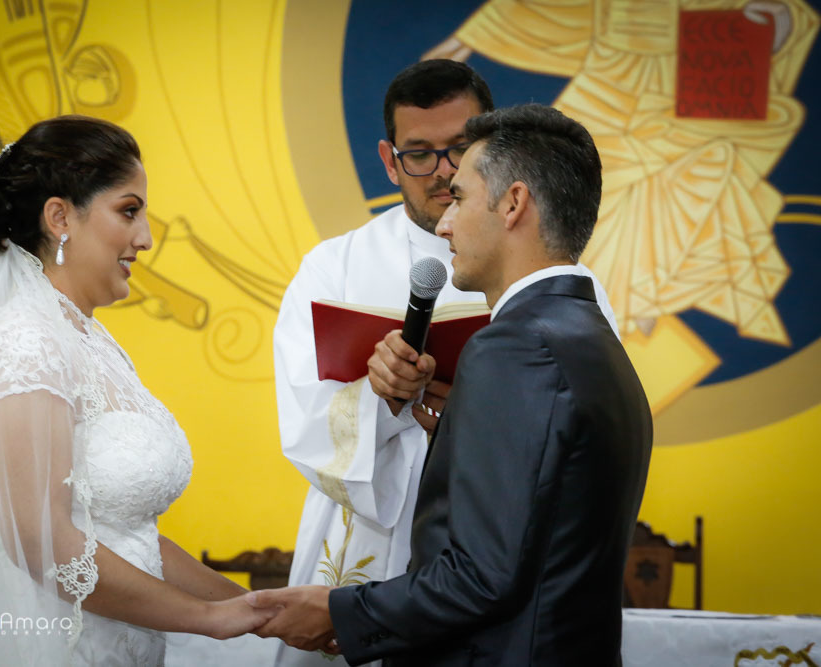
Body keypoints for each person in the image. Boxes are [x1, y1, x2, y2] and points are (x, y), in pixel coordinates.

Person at [253, 104, 654, 666]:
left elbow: (483, 576)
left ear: (513, 203)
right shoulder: (590, 333)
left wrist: (344, 612)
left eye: (460, 198)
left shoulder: (513, 345)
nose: (444, 225)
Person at [0, 116, 275, 666]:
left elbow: (131, 539)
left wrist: (259, 609)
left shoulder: (90, 341)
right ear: (60, 218)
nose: (145, 238)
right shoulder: (24, 345)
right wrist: (208, 620)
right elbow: (40, 541)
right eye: (129, 211)